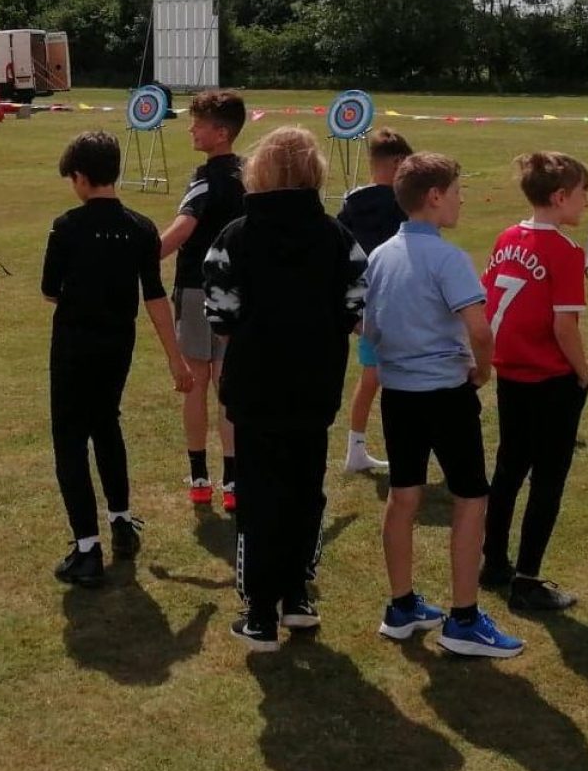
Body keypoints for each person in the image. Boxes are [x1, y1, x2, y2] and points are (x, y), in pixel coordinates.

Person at [203, 127, 369, 651]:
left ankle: (259, 613)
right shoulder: (338, 236)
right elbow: (355, 306)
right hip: (315, 382)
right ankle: (297, 595)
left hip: (254, 385)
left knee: (257, 494)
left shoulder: (234, 235)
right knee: (305, 487)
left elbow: (219, 314)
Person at [364, 152, 524, 659]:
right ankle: (463, 618)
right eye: (457, 191)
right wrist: (483, 369)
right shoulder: (448, 258)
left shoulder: (380, 256)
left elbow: (366, 330)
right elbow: (480, 328)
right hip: (445, 395)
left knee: (404, 496)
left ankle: (401, 605)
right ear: (434, 197)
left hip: (398, 396)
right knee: (470, 499)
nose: (461, 199)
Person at [42, 131, 192, 588]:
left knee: (70, 438)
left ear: (82, 178)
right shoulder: (142, 228)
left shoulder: (67, 226)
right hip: (117, 344)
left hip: (74, 345)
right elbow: (155, 296)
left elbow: (50, 290)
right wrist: (176, 360)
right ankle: (121, 522)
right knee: (107, 424)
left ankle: (86, 547)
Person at [479, 152, 588, 613]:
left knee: (508, 470)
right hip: (549, 380)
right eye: (584, 194)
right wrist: (583, 374)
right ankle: (527, 580)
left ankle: (494, 564)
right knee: (548, 478)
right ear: (561, 197)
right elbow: (565, 328)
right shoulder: (566, 253)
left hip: (511, 374)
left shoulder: (508, 236)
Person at [159, 89, 246, 511]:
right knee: (228, 385)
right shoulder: (251, 174)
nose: (191, 128)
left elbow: (180, 231)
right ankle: (233, 482)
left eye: (200, 123)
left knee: (195, 382)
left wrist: (137, 259)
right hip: (240, 293)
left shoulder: (205, 178)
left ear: (222, 133)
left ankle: (199, 477)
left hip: (197, 289)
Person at [337, 127, 413, 473]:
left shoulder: (352, 200)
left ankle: (356, 446)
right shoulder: (405, 204)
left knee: (371, 376)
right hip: (396, 301)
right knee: (391, 377)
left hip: (363, 302)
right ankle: (404, 448)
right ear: (397, 162)